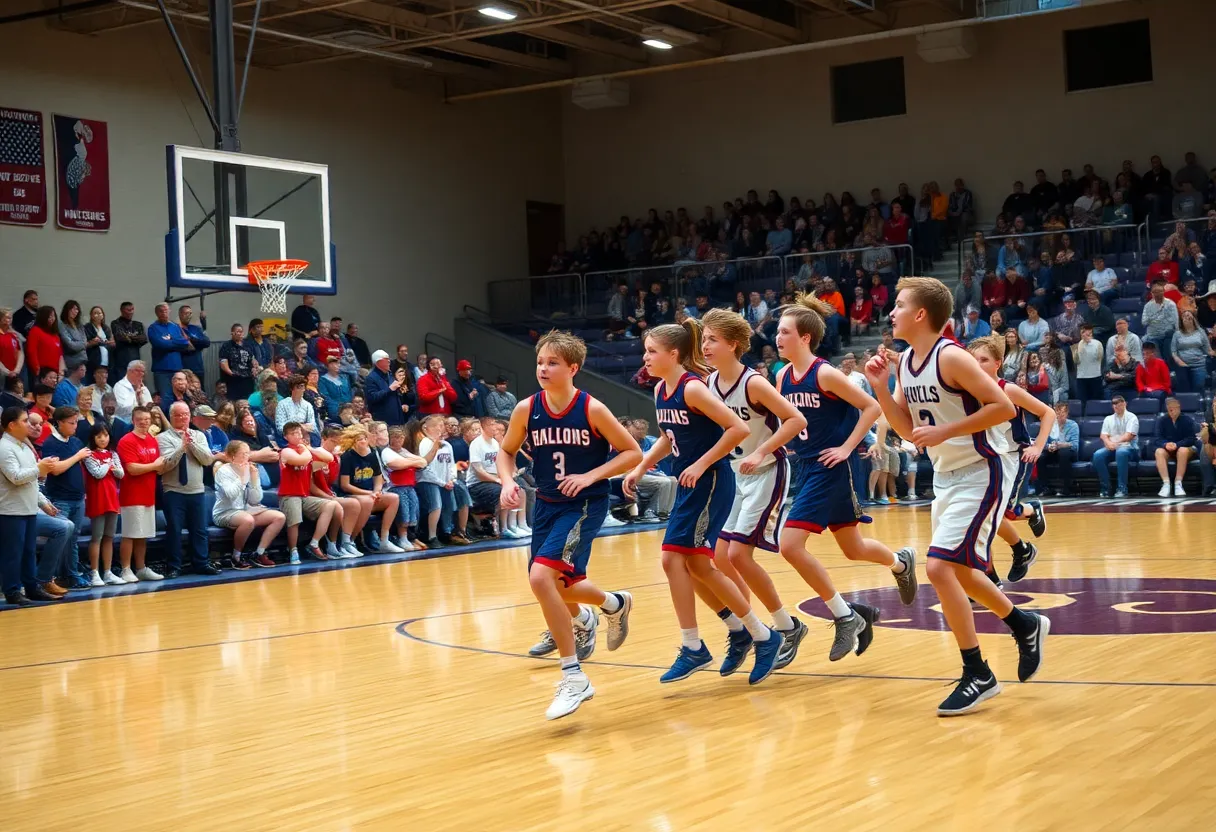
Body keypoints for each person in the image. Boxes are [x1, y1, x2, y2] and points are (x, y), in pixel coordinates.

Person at [864, 276, 1048, 715]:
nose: (891, 312)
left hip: (983, 470)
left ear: (921, 314)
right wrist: (880, 387)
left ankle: (977, 672)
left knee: (938, 566)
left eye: (899, 304)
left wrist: (945, 430)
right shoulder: (907, 361)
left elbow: (1002, 407)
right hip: (946, 474)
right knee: (960, 572)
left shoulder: (951, 356)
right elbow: (910, 431)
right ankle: (1023, 624)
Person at [625, 320, 785, 687]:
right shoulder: (661, 391)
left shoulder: (693, 388)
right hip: (689, 484)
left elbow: (738, 429)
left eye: (652, 351)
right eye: (645, 351)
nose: (645, 358)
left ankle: (696, 645)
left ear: (674, 354)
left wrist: (701, 463)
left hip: (710, 483)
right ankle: (752, 632)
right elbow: (669, 437)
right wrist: (642, 465)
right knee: (698, 565)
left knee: (671, 559)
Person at [495, 330, 641, 720]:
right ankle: (611, 605)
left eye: (553, 362)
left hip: (583, 504)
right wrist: (508, 481)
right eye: (540, 362)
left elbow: (632, 452)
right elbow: (506, 452)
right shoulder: (527, 408)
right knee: (559, 585)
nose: (543, 368)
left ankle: (574, 676)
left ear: (573, 368)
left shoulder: (592, 408)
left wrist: (592, 476)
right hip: (545, 504)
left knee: (543, 579)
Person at [772, 293, 914, 656]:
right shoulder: (783, 375)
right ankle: (901, 562)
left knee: (789, 545)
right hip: (806, 466)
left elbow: (870, 407)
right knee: (853, 548)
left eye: (785, 331)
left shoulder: (825, 373)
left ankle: (845, 617)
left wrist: (848, 447)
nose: (777, 337)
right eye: (777, 330)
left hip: (831, 468)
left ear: (804, 337)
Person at [689, 309, 814, 673]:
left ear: (733, 345)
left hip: (767, 471)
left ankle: (787, 627)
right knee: (720, 558)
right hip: (733, 476)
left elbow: (797, 420)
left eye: (712, 339)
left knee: (739, 555)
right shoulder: (708, 384)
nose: (705, 346)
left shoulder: (754, 383)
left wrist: (761, 450)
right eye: (704, 339)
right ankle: (751, 629)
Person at [967, 337, 1051, 586]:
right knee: (980, 517)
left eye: (983, 360)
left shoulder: (1008, 389)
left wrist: (1038, 446)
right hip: (982, 458)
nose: (978, 365)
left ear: (997, 363)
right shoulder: (968, 392)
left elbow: (1047, 413)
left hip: (1013, 457)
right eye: (973, 360)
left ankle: (1030, 513)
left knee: (995, 514)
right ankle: (994, 574)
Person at [0, 406, 62, 605]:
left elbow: (31, 481)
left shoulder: (24, 447)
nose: (29, 424)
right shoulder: (3, 448)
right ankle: (12, 591)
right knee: (13, 553)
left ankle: (32, 588)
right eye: (25, 420)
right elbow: (16, 477)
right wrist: (40, 467)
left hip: (27, 508)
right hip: (10, 511)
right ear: (12, 425)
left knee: (28, 552)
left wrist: (43, 502)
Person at [158, 402, 219, 577]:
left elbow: (207, 460)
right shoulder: (162, 438)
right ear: (171, 417)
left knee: (200, 529)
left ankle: (201, 563)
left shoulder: (199, 435)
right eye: (178, 415)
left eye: (185, 414)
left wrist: (191, 445)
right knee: (174, 530)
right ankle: (174, 566)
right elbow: (166, 464)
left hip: (196, 490)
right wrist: (181, 447)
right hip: (173, 491)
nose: (182, 418)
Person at [41, 405, 94, 589]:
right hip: (59, 498)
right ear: (60, 423)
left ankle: (70, 574)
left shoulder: (76, 441)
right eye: (71, 423)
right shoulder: (50, 444)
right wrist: (77, 456)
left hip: (78, 497)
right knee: (61, 537)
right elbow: (55, 470)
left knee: (73, 539)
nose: (74, 426)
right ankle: (53, 577)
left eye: (75, 422)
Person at [212, 440, 287, 569]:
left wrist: (253, 478)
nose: (246, 457)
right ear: (232, 456)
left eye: (248, 453)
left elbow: (255, 499)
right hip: (225, 512)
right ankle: (236, 557)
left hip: (245, 510)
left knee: (279, 517)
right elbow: (231, 495)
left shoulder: (248, 469)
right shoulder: (223, 471)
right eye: (243, 454)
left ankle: (259, 554)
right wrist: (240, 478)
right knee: (248, 520)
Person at [278, 422, 342, 563]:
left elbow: (329, 458)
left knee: (330, 505)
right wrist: (306, 450)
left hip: (304, 495)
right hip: (289, 495)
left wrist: (309, 448)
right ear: (286, 437)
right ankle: (293, 551)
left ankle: (314, 543)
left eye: (299, 432)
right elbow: (302, 460)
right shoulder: (286, 451)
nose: (298, 436)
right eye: (293, 433)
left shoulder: (305, 450)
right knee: (294, 521)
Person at [115, 406, 166, 583]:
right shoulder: (126, 441)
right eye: (140, 419)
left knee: (142, 534)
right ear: (133, 420)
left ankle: (141, 568)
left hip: (148, 493)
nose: (144, 422)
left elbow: (159, 467)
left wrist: (156, 466)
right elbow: (132, 468)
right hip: (132, 494)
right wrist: (154, 466)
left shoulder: (152, 440)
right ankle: (125, 569)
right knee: (129, 533)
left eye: (147, 419)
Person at [337, 424, 404, 553]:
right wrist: (369, 493)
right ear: (353, 442)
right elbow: (345, 485)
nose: (362, 441)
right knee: (368, 501)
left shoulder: (372, 454)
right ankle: (350, 541)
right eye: (358, 439)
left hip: (370, 494)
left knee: (394, 498)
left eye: (364, 438)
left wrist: (377, 491)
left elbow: (378, 478)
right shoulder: (347, 457)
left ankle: (384, 540)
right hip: (351, 495)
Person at [467, 416, 525, 539]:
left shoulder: (494, 443)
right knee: (504, 492)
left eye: (494, 424)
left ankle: (513, 525)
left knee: (517, 489)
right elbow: (478, 472)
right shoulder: (476, 444)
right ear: (482, 426)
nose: (494, 427)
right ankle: (502, 527)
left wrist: (506, 478)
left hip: (494, 480)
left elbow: (502, 463)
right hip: (477, 484)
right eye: (491, 425)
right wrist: (498, 480)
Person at [83, 423, 125, 585]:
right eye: (99, 436)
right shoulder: (89, 455)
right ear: (93, 438)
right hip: (97, 498)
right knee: (97, 537)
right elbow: (98, 473)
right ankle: (94, 573)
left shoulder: (113, 453)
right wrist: (109, 465)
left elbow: (121, 473)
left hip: (112, 497)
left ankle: (107, 572)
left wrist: (109, 465)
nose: (103, 439)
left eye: (106, 435)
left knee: (109, 536)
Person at [379, 424, 425, 551]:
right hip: (395, 486)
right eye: (395, 437)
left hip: (409, 485)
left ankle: (409, 537)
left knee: (413, 511)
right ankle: (402, 538)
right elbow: (396, 465)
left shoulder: (404, 451)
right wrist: (412, 462)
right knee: (404, 512)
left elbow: (423, 462)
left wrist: (409, 461)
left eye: (401, 437)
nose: (398, 440)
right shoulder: (387, 452)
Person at [1093, 395, 1140, 499]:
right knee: (1098, 455)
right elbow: (1103, 435)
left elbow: (1128, 436)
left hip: (1130, 448)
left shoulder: (1132, 417)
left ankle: (1122, 488)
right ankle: (1106, 488)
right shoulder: (1108, 418)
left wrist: (1114, 442)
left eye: (1118, 403)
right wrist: (1108, 443)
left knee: (1121, 452)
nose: (1115, 406)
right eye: (1114, 404)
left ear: (1124, 404)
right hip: (1113, 447)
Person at [1154, 398, 1197, 497]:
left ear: (1179, 408)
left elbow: (1191, 439)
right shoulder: (1162, 420)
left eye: (1173, 409)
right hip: (1168, 449)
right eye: (1169, 409)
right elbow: (1157, 438)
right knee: (1158, 451)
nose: (1171, 411)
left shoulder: (1187, 420)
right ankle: (1166, 483)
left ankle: (1178, 483)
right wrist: (1165, 444)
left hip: (1185, 448)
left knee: (1182, 451)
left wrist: (1177, 444)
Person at [1035, 402, 1080, 496]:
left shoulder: (1073, 425)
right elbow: (1041, 441)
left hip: (1068, 452)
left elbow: (1074, 445)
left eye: (1062, 413)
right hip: (1053, 451)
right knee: (1040, 456)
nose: (1060, 415)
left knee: (1063, 453)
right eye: (1057, 413)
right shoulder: (1050, 424)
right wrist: (1048, 447)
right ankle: (1044, 488)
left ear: (1067, 413)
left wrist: (1060, 445)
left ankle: (1066, 488)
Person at [147, 303, 190, 395]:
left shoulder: (175, 326)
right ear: (156, 313)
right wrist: (176, 342)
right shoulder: (153, 328)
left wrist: (170, 340)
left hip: (177, 368)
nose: (164, 313)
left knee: (179, 396)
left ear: (169, 311)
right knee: (165, 397)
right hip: (161, 369)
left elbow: (185, 343)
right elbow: (160, 345)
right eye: (161, 311)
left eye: (166, 310)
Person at [365, 350, 412, 426]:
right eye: (386, 359)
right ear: (378, 362)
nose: (389, 361)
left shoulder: (389, 374)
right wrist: (389, 389)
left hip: (397, 416)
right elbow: (372, 397)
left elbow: (394, 393)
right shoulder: (370, 378)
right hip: (384, 420)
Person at [219, 323, 259, 402]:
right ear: (232, 333)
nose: (240, 334)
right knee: (234, 402)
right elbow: (223, 362)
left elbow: (253, 359)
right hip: (233, 380)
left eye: (241, 332)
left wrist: (255, 367)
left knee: (247, 401)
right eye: (238, 331)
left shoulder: (248, 345)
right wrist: (231, 373)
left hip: (248, 379)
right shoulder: (226, 346)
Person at [26, 305, 64, 381]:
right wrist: (37, 368)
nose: (52, 319)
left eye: (53, 316)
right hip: (42, 372)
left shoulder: (55, 335)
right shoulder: (35, 331)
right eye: (49, 316)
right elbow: (31, 351)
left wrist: (61, 372)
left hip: (55, 372)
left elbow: (60, 355)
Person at [110, 302, 147, 378]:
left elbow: (143, 339)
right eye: (128, 310)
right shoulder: (116, 323)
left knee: (136, 383)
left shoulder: (138, 324)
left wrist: (129, 338)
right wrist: (135, 338)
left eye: (132, 309)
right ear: (122, 310)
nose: (131, 312)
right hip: (121, 360)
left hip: (135, 359)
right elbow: (120, 337)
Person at [318, 357, 351, 421]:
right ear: (328, 365)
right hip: (335, 411)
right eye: (334, 363)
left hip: (349, 409)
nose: (338, 365)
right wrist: (340, 410)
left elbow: (349, 393)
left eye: (338, 363)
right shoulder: (323, 380)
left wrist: (349, 407)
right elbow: (326, 398)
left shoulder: (345, 378)